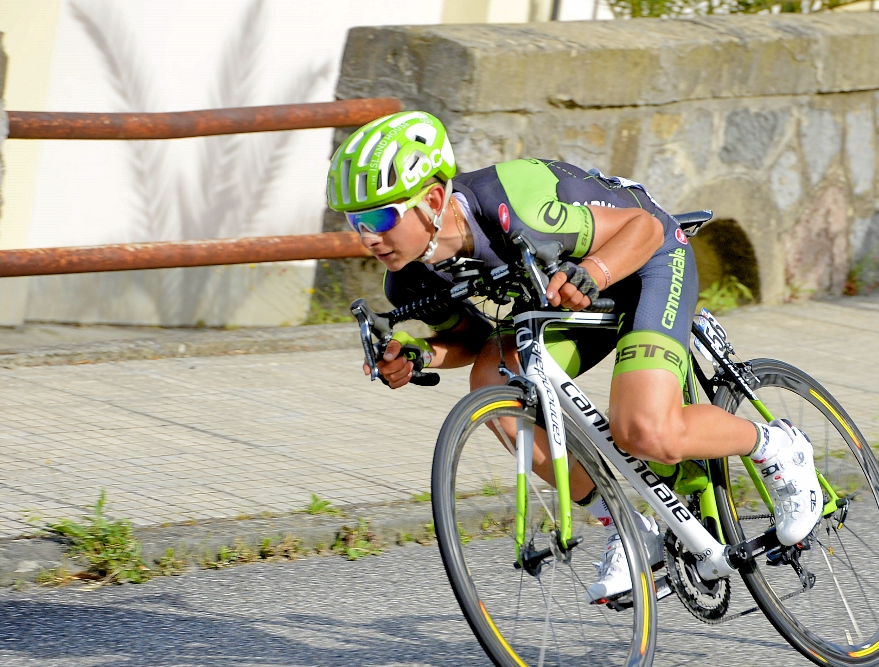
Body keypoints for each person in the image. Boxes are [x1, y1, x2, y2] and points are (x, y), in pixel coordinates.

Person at [328, 110, 822, 601]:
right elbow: (473, 342)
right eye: (357, 221)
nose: (368, 236)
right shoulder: (409, 277)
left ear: (433, 199)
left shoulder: (512, 207)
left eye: (380, 216)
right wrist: (418, 356)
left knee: (645, 431)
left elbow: (644, 228)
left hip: (644, 260)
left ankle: (778, 448)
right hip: (573, 291)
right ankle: (627, 527)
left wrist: (597, 271)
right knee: (493, 377)